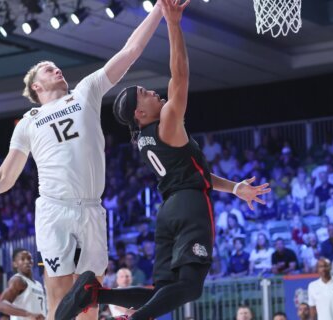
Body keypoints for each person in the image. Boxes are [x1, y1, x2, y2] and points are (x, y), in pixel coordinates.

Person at [0, 1, 165, 318]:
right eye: (48, 69)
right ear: (37, 85)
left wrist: (158, 8)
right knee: (59, 298)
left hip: (91, 207)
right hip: (55, 208)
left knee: (91, 297)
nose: (56, 68)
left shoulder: (86, 90)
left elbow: (130, 52)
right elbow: (5, 178)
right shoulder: (29, 121)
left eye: (55, 67)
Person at [54, 1, 270, 319]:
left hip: (168, 211)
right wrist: (173, 24)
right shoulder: (166, 122)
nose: (153, 92)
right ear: (140, 113)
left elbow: (195, 173)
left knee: (163, 292)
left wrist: (235, 188)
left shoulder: (146, 139)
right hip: (190, 206)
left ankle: (96, 294)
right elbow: (180, 76)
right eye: (144, 93)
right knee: (191, 287)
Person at [0, 248, 46, 320]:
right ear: (15, 264)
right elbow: (1, 305)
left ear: (32, 262)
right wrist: (27, 314)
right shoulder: (17, 280)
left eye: (29, 258)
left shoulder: (38, 284)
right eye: (22, 259)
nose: (27, 261)